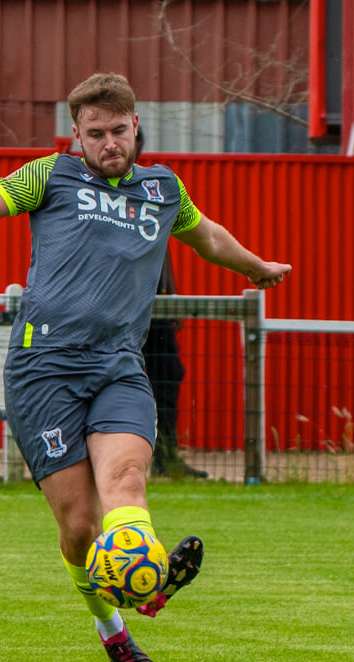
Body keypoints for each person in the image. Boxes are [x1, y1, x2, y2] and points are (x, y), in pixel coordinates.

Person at [0, 73, 290, 662]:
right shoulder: (48, 175)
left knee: (126, 483)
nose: (109, 143)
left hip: (117, 366)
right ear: (76, 134)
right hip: (42, 371)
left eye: (119, 131)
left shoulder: (163, 189)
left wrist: (254, 267)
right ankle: (115, 626)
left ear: (136, 128)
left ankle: (143, 579)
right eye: (95, 133)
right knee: (80, 526)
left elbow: (207, 236)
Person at [134, 129, 207, 480]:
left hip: (157, 309)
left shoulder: (155, 189)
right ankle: (155, 458)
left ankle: (165, 457)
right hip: (127, 310)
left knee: (167, 375)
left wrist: (171, 295)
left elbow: (163, 251)